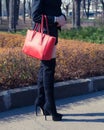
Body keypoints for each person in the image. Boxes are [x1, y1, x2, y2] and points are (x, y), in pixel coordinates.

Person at [32, 0, 66, 121]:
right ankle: (51, 107)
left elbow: (55, 10)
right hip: (45, 37)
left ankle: (41, 102)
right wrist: (55, 19)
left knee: (45, 68)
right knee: (48, 70)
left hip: (52, 35)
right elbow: (35, 16)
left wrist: (62, 18)